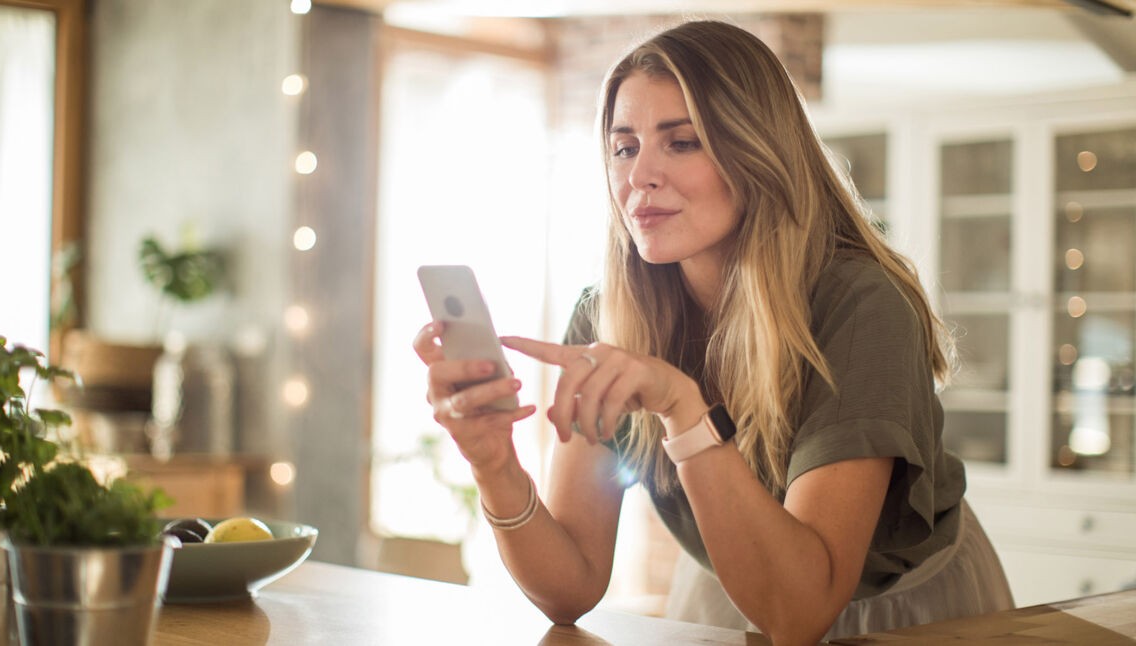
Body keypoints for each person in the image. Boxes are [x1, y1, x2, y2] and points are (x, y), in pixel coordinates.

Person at [413, 19, 1014, 645]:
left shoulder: (860, 306)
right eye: (624, 147)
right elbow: (571, 588)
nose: (639, 175)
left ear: (757, 151)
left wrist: (683, 408)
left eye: (682, 142)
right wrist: (493, 463)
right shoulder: (607, 316)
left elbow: (801, 612)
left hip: (904, 611)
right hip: (730, 590)